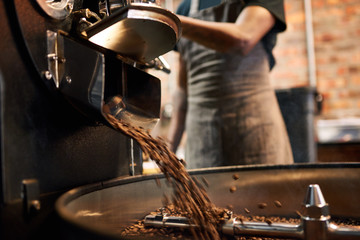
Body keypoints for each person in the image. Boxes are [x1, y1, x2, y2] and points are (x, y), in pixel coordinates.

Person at [166, 0, 294, 169]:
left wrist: (170, 21)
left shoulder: (178, 19)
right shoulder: (185, 8)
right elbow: (183, 89)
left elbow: (243, 39)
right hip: (202, 138)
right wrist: (168, 151)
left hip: (254, 132)